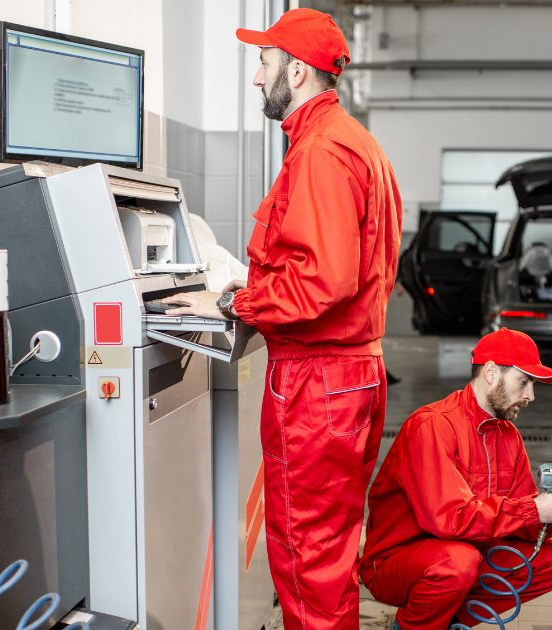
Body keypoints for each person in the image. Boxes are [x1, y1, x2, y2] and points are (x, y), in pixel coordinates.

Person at [165, 9, 403, 629]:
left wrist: (233, 301)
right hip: (349, 376)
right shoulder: (355, 144)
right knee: (325, 557)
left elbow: (324, 279)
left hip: (318, 385)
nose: (255, 77)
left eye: (264, 63)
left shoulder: (322, 152)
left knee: (306, 561)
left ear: (296, 72)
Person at [360, 328, 552, 630]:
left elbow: (524, 525)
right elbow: (449, 520)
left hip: (466, 552)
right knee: (458, 563)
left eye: (533, 385)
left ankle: (449, 622)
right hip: (396, 562)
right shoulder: (433, 426)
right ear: (490, 372)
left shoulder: (507, 435)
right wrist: (532, 509)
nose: (531, 396)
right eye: (524, 382)